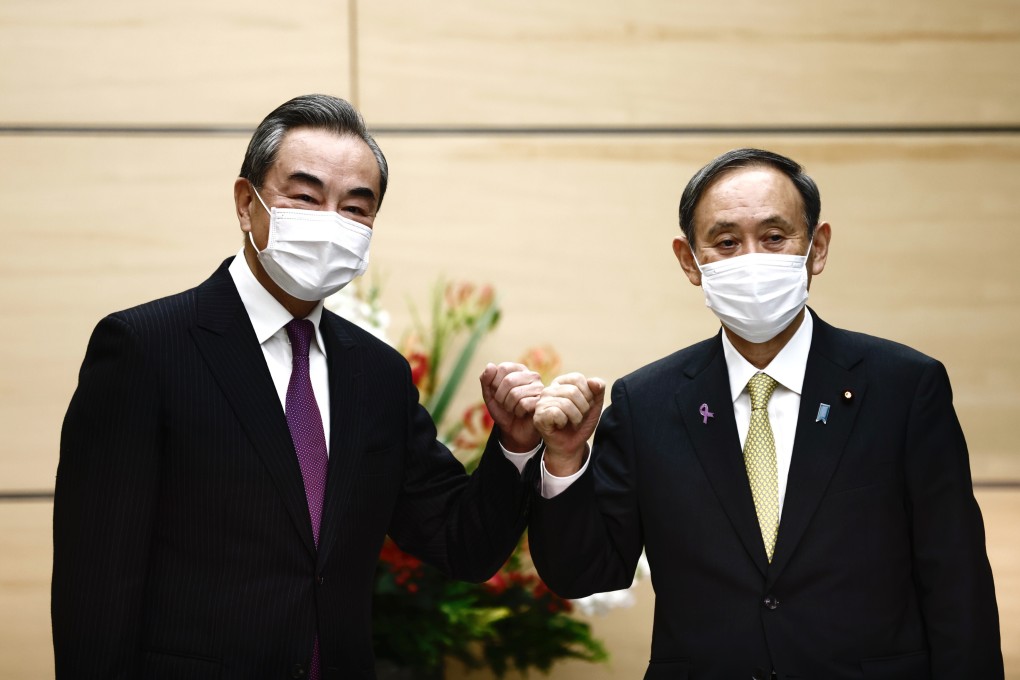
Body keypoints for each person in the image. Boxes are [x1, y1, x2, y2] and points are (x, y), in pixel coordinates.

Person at [52, 94, 544, 679]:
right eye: (305, 197)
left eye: (355, 207)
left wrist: (514, 443)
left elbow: (463, 543)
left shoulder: (379, 375)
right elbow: (97, 581)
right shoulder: (145, 348)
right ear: (246, 203)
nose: (330, 222)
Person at [528, 148, 1003, 679]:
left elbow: (956, 581)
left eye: (775, 238)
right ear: (690, 261)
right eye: (726, 242)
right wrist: (566, 460)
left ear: (816, 248)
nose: (751, 259)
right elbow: (583, 573)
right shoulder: (647, 403)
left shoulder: (903, 387)